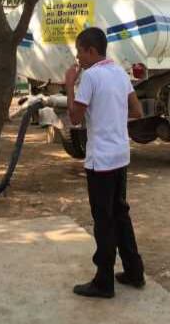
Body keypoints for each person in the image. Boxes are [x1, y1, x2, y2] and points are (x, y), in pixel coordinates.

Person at [64, 27, 144, 299]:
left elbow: (75, 118)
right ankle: (134, 271)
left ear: (90, 50)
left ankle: (104, 281)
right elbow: (137, 110)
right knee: (121, 213)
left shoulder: (91, 76)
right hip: (121, 156)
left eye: (79, 52)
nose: (78, 59)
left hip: (100, 160)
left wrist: (69, 85)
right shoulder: (120, 73)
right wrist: (114, 121)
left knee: (104, 220)